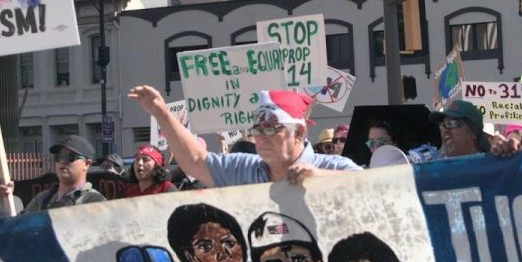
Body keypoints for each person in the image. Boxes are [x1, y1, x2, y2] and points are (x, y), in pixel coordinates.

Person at [129, 85, 360, 186]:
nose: (261, 137)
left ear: (298, 133)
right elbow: (196, 161)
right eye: (257, 129)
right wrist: (161, 113)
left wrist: (323, 180)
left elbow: (379, 189)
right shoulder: (243, 168)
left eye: (270, 128)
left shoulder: (338, 168)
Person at [0, 135, 107, 212]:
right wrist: (5, 198)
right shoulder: (42, 199)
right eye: (58, 157)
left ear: (87, 164)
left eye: (70, 157)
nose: (62, 161)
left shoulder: (94, 201)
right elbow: (21, 228)